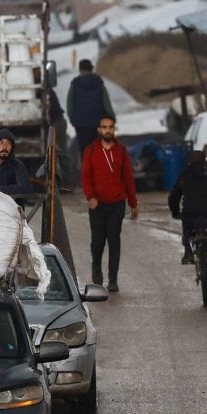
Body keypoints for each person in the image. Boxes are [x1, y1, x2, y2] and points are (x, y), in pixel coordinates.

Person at [80, 114, 138, 293]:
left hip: (117, 204)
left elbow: (128, 178)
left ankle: (113, 279)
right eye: (104, 127)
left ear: (114, 129)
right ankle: (97, 275)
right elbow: (86, 176)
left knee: (114, 240)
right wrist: (90, 197)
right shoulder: (90, 150)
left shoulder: (121, 151)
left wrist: (133, 203)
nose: (107, 130)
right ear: (99, 130)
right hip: (97, 205)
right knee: (97, 242)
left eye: (110, 127)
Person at [168, 150, 207, 297]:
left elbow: (173, 196)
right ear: (205, 160)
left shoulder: (185, 174)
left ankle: (188, 252)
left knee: (187, 227)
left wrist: (175, 212)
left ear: (189, 162)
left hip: (191, 216)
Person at [67, 59, 115, 159]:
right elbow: (106, 102)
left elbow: (69, 104)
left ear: (80, 69)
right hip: (97, 122)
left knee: (85, 151)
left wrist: (72, 118)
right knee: (99, 149)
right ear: (91, 69)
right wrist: (112, 118)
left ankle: (87, 172)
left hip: (80, 124)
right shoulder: (99, 83)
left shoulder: (74, 84)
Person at [35, 87, 75, 190]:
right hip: (58, 121)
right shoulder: (47, 87)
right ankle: (68, 182)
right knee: (61, 152)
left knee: (58, 152)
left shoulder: (41, 88)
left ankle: (66, 182)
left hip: (55, 122)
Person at [0, 128, 32, 195]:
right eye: (1, 143)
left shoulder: (17, 165)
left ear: (12, 147)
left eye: (8, 143)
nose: (4, 147)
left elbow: (26, 188)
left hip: (12, 204)